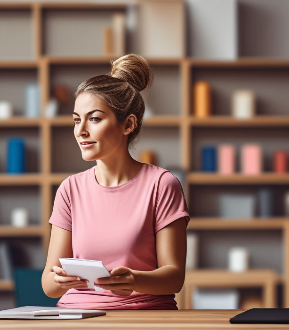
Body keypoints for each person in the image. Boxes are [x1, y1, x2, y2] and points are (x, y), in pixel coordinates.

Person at [41, 54, 190, 310]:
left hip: (144, 316)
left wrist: (135, 280)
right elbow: (48, 285)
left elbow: (174, 278)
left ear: (128, 124)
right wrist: (60, 279)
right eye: (77, 119)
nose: (81, 131)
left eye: (95, 119)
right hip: (76, 317)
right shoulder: (69, 189)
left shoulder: (162, 184)